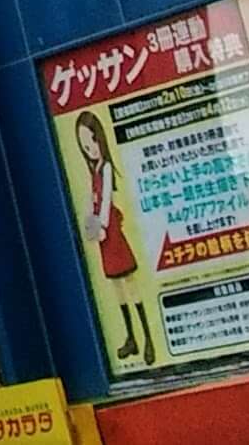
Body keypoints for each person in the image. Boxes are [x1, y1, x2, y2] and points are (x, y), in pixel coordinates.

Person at [78, 109, 159, 366]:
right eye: (84, 145)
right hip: (102, 235)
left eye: (92, 141)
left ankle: (148, 339)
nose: (90, 149)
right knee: (116, 288)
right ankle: (130, 337)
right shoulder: (94, 170)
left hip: (111, 230)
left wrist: (100, 225)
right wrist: (91, 224)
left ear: (100, 138)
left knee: (130, 284)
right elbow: (93, 201)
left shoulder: (107, 168)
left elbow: (106, 203)